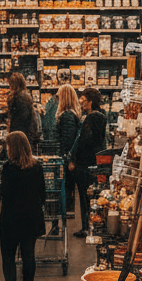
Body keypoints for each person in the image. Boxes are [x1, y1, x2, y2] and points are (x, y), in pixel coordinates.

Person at [0, 131, 46, 281]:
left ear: (13, 148)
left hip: (11, 219)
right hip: (31, 218)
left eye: (8, 146)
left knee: (8, 256)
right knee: (28, 255)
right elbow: (43, 193)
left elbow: (5, 192)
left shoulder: (9, 168)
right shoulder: (37, 166)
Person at [69, 87, 106, 238]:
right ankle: (94, 225)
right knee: (92, 195)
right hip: (95, 161)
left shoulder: (92, 118)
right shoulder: (101, 115)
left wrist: (74, 158)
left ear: (91, 102)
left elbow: (85, 141)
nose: (81, 103)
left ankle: (87, 227)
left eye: (83, 101)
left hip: (86, 163)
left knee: (85, 197)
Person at [55, 85, 82, 235]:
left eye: (59, 96)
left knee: (64, 189)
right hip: (68, 158)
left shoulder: (67, 116)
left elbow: (67, 139)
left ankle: (62, 217)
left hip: (65, 159)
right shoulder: (72, 114)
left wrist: (65, 158)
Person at [6, 72, 41, 152]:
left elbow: (22, 119)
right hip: (26, 133)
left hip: (23, 134)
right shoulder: (24, 95)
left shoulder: (20, 97)